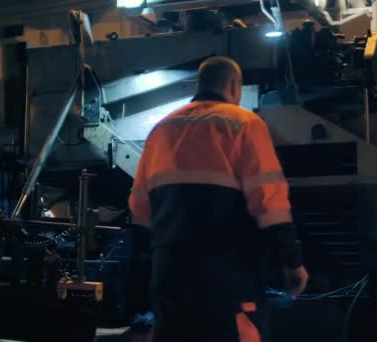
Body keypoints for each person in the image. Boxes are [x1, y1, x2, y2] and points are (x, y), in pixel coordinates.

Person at [128, 56, 309, 342]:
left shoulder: (162, 129)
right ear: (234, 85)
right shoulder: (244, 123)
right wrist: (291, 261)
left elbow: (140, 209)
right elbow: (268, 201)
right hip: (225, 271)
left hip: (169, 270)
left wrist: (145, 267)